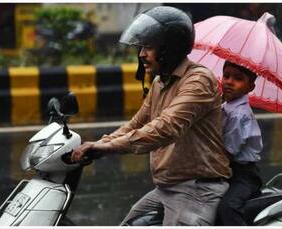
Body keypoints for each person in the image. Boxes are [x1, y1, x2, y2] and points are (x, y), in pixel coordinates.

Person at [71, 6, 231, 226]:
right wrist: (100, 144)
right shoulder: (160, 81)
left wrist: (109, 147)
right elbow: (138, 122)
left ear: (170, 49)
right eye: (141, 46)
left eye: (149, 47)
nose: (142, 54)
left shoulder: (198, 81)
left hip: (197, 189)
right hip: (167, 187)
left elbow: (166, 127)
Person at [215, 60, 263, 226]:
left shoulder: (239, 114)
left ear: (250, 87)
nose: (229, 81)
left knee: (227, 208)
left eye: (238, 78)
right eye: (226, 76)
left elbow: (227, 153)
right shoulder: (226, 106)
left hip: (243, 175)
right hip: (227, 170)